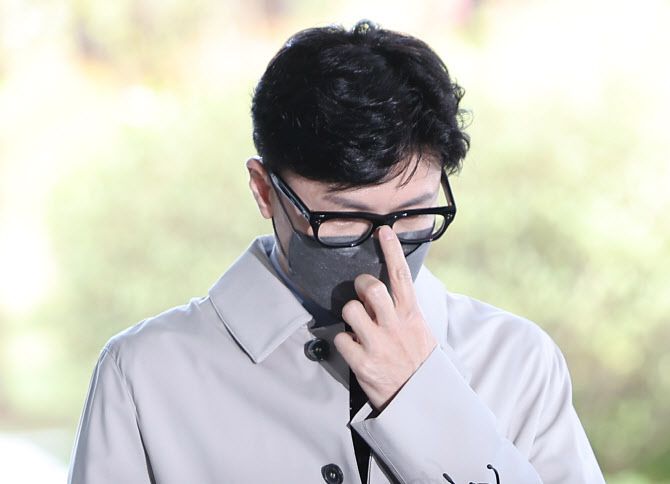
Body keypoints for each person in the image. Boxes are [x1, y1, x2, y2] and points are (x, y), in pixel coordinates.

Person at [67, 19, 606, 484]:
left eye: (413, 214)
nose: (387, 248)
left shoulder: (517, 360)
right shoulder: (145, 375)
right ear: (264, 191)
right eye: (344, 217)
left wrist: (421, 398)